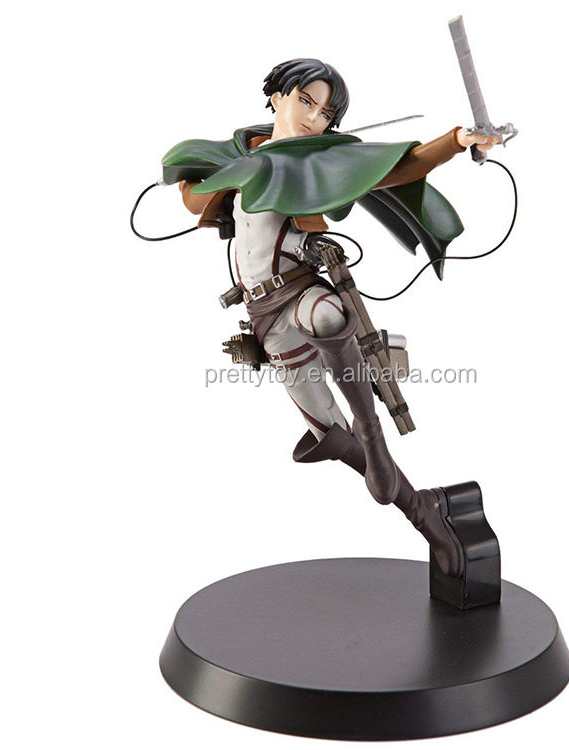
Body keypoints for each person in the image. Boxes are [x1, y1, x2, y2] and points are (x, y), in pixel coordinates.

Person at [170, 58, 498, 578]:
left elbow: (402, 166)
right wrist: (234, 174)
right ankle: (426, 515)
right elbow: (192, 198)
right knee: (328, 431)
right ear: (277, 96)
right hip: (264, 316)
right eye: (305, 102)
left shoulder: (316, 162)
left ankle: (372, 427)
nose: (313, 118)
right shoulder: (242, 155)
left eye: (325, 114)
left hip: (300, 291)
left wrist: (457, 140)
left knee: (327, 316)